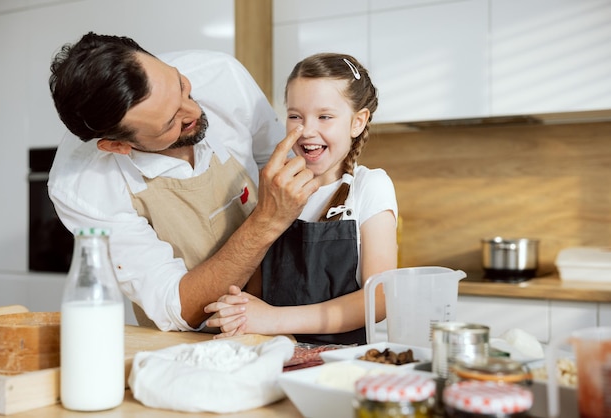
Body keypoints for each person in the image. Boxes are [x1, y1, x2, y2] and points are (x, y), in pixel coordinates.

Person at [47, 32, 318, 332]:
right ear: (117, 146)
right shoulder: (83, 186)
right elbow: (175, 305)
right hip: (189, 348)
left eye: (182, 88)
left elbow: (278, 160)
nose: (194, 111)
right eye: (171, 122)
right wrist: (266, 221)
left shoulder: (221, 76)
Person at [204, 53, 398, 345]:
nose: (306, 130)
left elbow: (379, 300)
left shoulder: (370, 187)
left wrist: (273, 319)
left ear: (357, 122)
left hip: (340, 366)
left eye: (325, 117)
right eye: (295, 116)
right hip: (269, 356)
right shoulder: (272, 187)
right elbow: (254, 290)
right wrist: (238, 311)